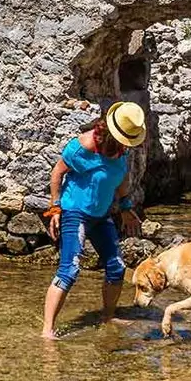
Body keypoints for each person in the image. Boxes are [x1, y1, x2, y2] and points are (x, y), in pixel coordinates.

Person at [40, 100, 147, 339]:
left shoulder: (121, 150)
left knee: (116, 266)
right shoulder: (81, 148)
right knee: (70, 269)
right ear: (111, 131)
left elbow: (120, 179)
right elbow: (57, 174)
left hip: (101, 215)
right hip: (75, 212)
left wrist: (126, 206)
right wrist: (55, 209)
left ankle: (108, 317)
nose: (127, 144)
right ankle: (47, 330)